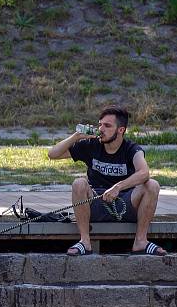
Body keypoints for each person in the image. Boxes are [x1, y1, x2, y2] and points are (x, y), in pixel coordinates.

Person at [48, 106, 166, 256]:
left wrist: (118, 187)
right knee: (79, 183)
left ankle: (140, 241)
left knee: (152, 185)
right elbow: (53, 154)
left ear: (121, 130)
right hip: (96, 203)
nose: (101, 129)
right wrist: (76, 136)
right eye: (100, 125)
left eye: (107, 126)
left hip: (125, 203)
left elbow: (144, 173)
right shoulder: (91, 145)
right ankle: (85, 241)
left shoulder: (131, 149)